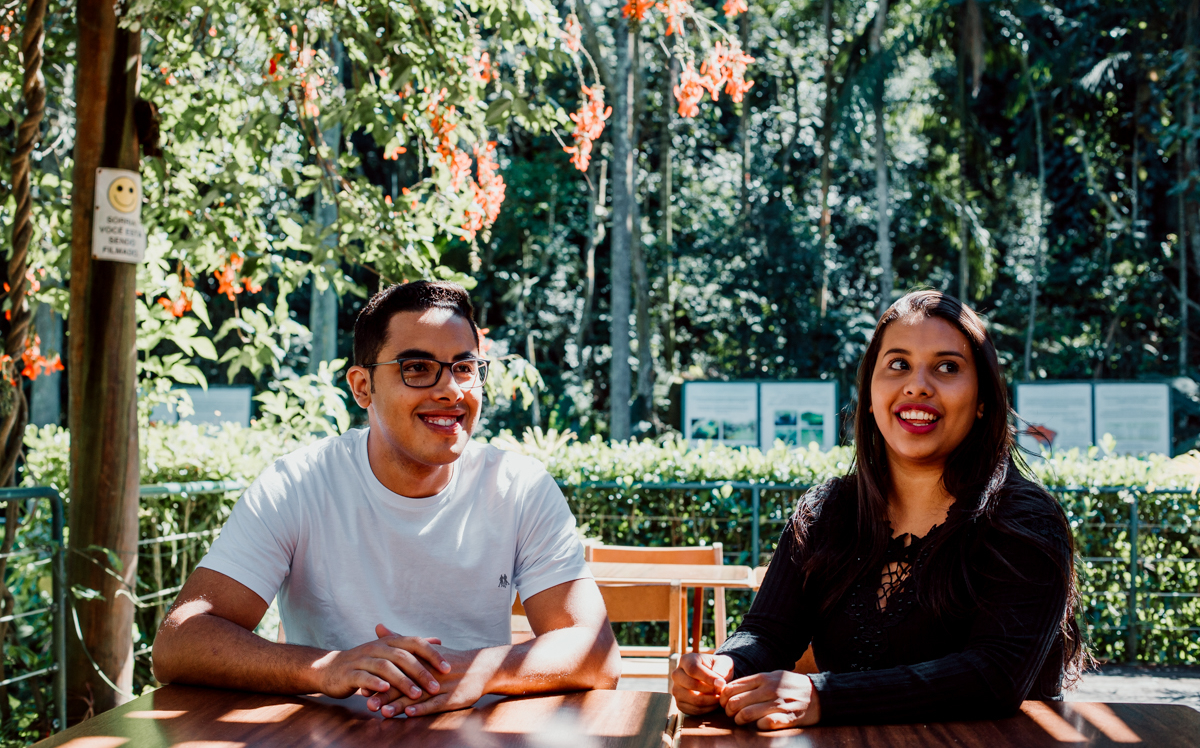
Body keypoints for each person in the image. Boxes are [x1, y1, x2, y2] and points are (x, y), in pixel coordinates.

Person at [153, 280, 620, 717]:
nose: (450, 390)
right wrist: (326, 668)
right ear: (362, 387)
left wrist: (478, 670)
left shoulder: (518, 487)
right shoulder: (298, 484)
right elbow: (179, 643)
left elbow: (596, 652)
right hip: (326, 736)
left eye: (464, 367)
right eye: (416, 368)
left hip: (475, 736)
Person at [671, 290, 1087, 729]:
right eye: (898, 364)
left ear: (983, 399)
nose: (917, 385)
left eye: (947, 367)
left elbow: (995, 676)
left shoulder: (1025, 521)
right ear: (870, 394)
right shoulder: (826, 511)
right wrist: (725, 668)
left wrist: (823, 696)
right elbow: (769, 632)